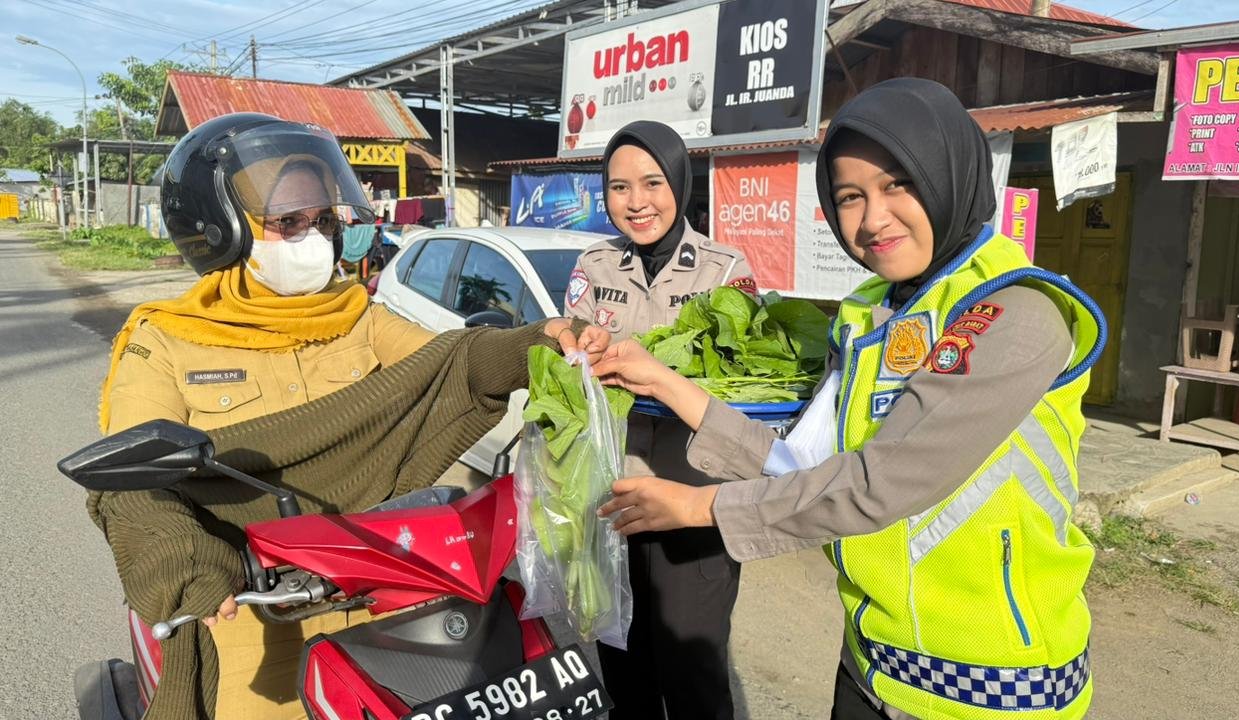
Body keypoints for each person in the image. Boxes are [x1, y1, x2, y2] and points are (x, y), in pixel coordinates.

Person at [592, 79, 1106, 720]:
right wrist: (663, 380)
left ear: (950, 173)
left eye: (899, 184)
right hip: (874, 663)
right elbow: (798, 463)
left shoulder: (1015, 312)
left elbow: (882, 479)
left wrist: (701, 505)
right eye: (850, 197)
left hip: (991, 684)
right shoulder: (873, 317)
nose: (872, 219)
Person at [95, 112, 608, 719]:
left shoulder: (357, 315)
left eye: (321, 219)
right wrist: (181, 553)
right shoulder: (167, 340)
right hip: (250, 621)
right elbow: (130, 484)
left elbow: (452, 366)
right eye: (287, 222)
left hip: (379, 598)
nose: (311, 237)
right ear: (220, 229)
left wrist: (538, 342)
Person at [563, 120, 756, 720]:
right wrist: (576, 350)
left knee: (694, 674)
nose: (636, 201)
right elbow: (566, 364)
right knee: (624, 667)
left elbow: (741, 389)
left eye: (652, 182)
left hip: (690, 499)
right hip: (613, 496)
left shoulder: (724, 271)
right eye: (619, 187)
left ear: (679, 182)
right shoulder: (595, 267)